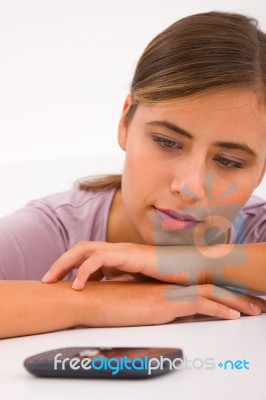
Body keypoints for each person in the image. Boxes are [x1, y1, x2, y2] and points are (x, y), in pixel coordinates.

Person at [0, 10, 266, 339]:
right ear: (125, 123)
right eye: (167, 142)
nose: (189, 186)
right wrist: (90, 302)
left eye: (229, 161)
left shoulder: (256, 230)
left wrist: (180, 262)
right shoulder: (50, 232)